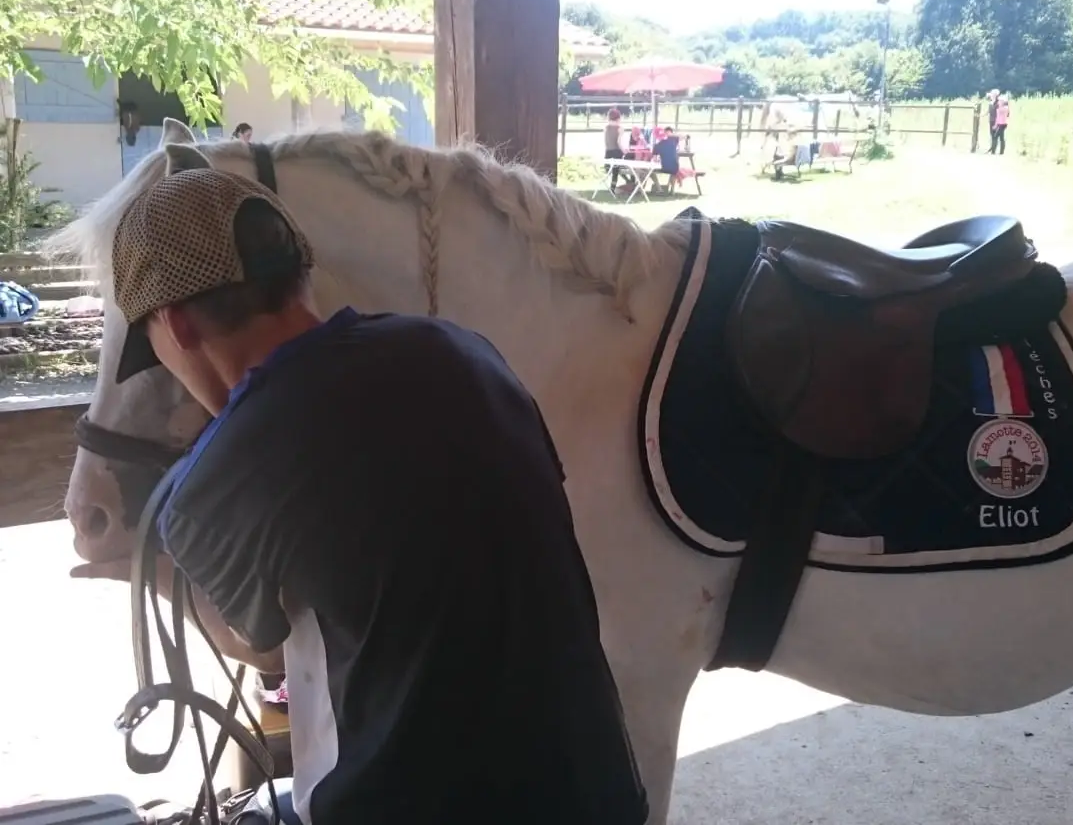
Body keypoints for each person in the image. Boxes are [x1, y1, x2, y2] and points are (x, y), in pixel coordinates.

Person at [75, 168, 650, 825]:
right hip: (598, 793)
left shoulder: (217, 477)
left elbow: (265, 650)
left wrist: (148, 572)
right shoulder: (463, 350)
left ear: (176, 327)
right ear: (300, 277)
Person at [603, 108, 625, 192]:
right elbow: (618, 142)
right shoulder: (620, 128)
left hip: (608, 152)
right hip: (616, 152)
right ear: (618, 118)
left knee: (610, 169)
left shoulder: (606, 127)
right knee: (616, 171)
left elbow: (606, 141)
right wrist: (624, 151)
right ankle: (613, 188)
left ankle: (614, 187)